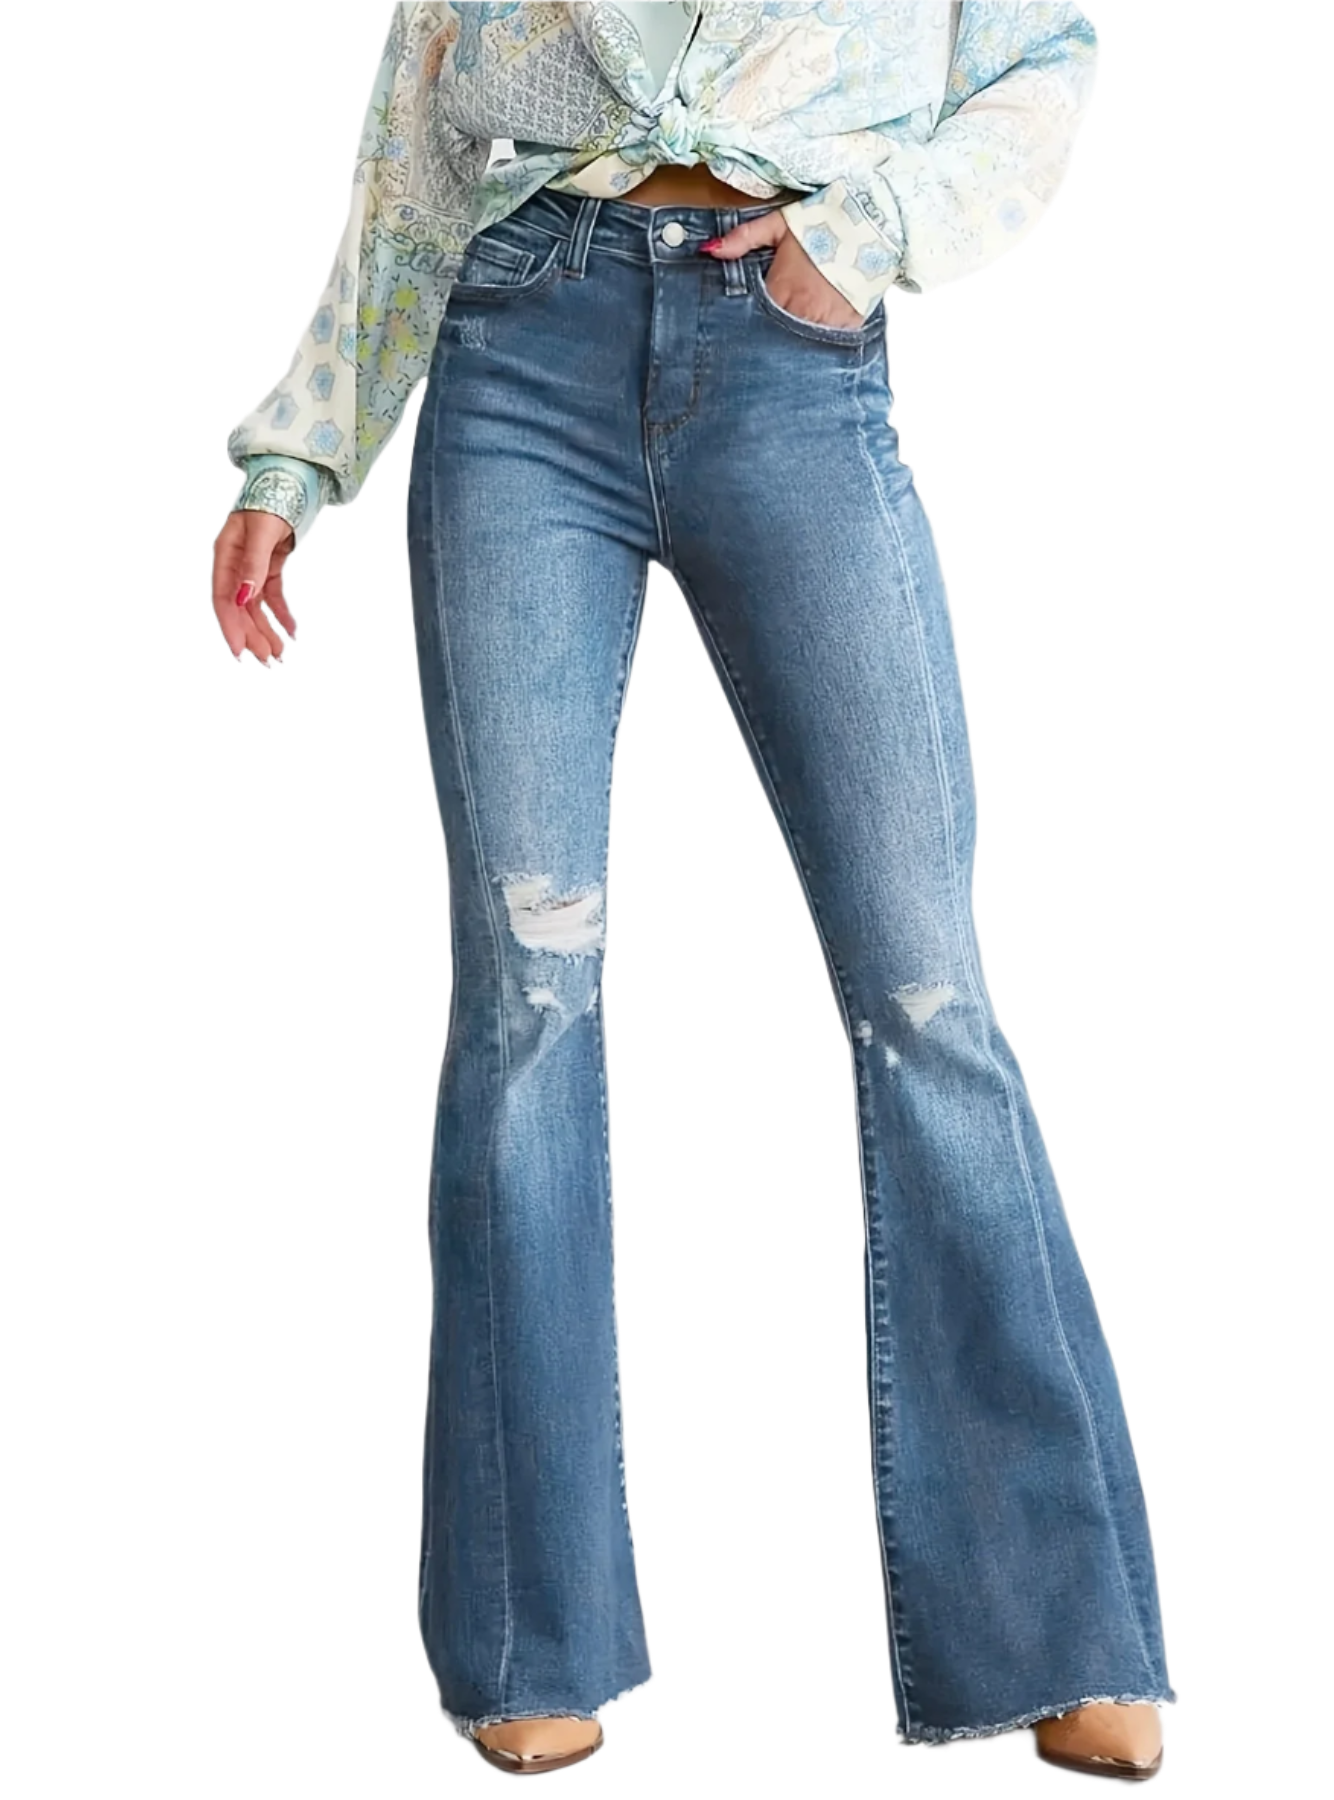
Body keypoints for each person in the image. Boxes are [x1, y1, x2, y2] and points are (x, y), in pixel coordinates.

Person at [211, 3, 1176, 1779]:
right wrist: (302, 448)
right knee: (527, 1002)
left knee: (925, 994)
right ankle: (528, 1630)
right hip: (520, 360)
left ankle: (1061, 1625)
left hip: (792, 363)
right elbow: (416, 142)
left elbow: (1039, 58)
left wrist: (863, 231)